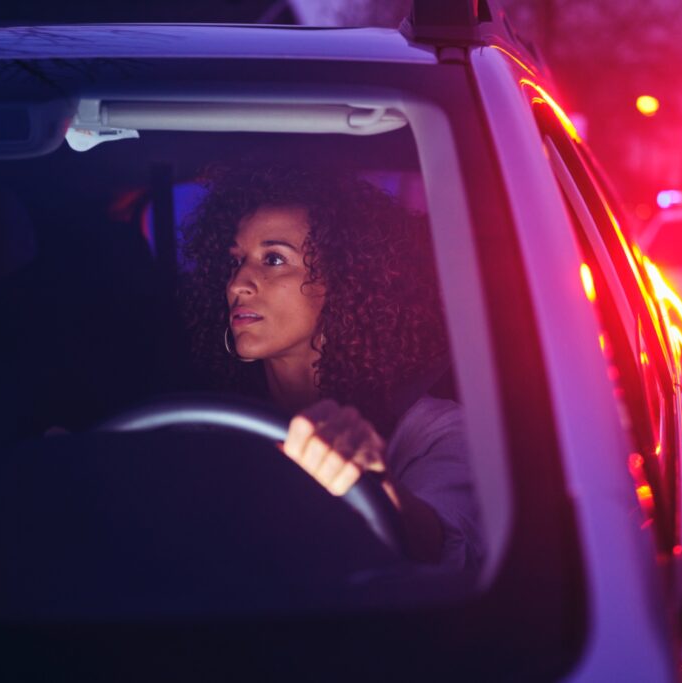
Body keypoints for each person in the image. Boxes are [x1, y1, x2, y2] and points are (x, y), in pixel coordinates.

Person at [181, 164, 482, 570]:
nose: (237, 284)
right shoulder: (208, 423)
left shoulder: (434, 432)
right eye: (236, 262)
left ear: (344, 282)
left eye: (273, 259)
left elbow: (448, 549)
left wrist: (371, 484)